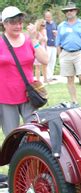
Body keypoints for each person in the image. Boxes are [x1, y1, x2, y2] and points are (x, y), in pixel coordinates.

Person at [0, 6, 48, 136]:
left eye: (20, 22)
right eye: (13, 22)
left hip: (28, 95)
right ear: (4, 23)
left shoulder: (29, 40)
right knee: (12, 136)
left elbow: (45, 60)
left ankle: (30, 156)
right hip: (6, 97)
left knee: (35, 133)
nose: (18, 26)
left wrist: (34, 40)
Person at [56, 2, 81, 106]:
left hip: (79, 52)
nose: (69, 12)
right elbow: (58, 43)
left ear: (76, 11)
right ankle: (74, 101)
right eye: (67, 11)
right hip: (66, 53)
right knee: (70, 78)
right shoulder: (61, 26)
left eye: (71, 10)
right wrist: (60, 55)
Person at [44, 10, 58, 82]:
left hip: (54, 45)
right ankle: (47, 77)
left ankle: (51, 76)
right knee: (47, 61)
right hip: (47, 45)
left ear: (51, 17)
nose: (47, 18)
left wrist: (56, 34)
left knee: (53, 61)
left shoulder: (54, 24)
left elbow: (57, 33)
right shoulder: (44, 24)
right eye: (46, 17)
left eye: (49, 17)